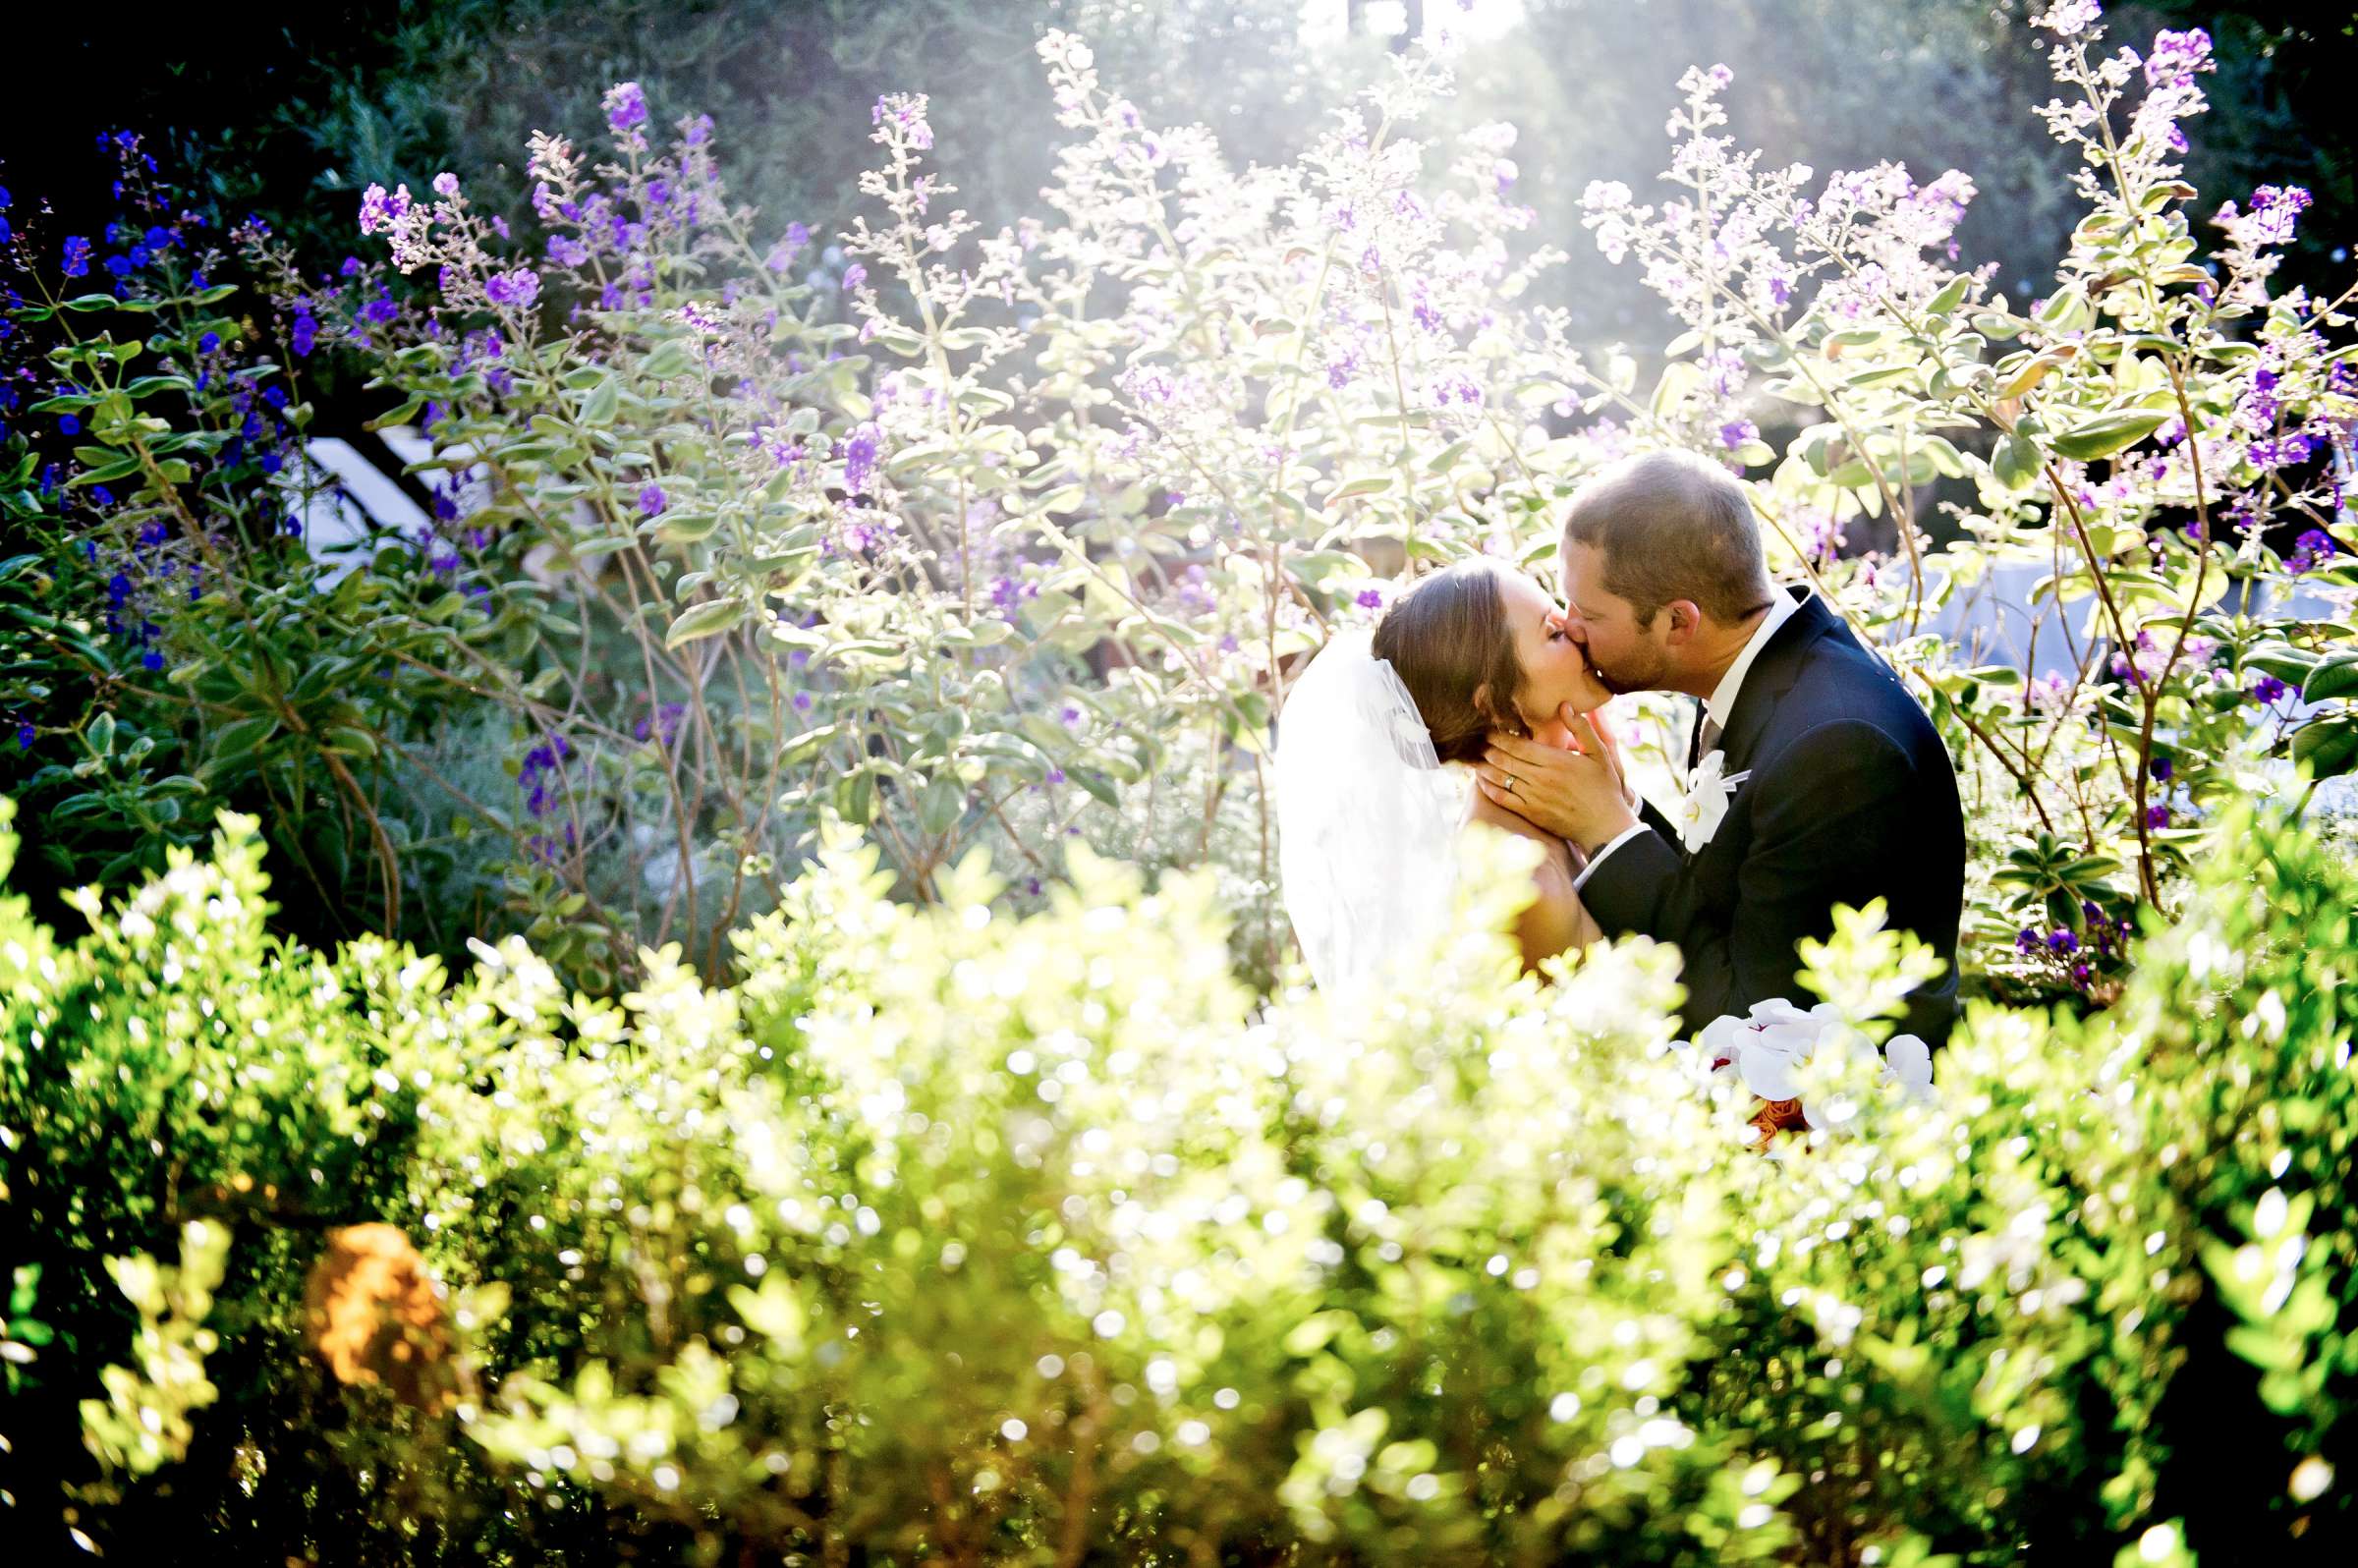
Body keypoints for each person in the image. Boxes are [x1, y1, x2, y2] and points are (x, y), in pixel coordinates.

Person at [1474, 449, 1966, 1044]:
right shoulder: (1763, 675)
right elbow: (1728, 888)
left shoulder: (1837, 749)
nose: (1571, 628)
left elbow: (1750, 1015)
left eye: (1590, 613)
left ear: (1679, 622)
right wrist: (1618, 802)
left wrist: (1611, 830)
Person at [1274, 557, 1623, 989]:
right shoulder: (1522, 882)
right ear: (1495, 703)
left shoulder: (1573, 797)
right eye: (1552, 633)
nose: (1576, 629)